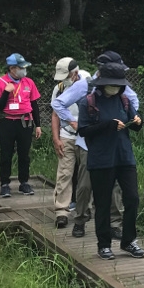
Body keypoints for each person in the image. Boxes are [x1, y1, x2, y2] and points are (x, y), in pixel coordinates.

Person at [53, 51, 139, 239]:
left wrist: (130, 117)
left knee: (115, 188)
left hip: (114, 146)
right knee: (85, 185)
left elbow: (134, 101)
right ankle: (80, 221)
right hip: (88, 144)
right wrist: (73, 122)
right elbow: (58, 103)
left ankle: (114, 224)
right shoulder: (86, 85)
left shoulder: (120, 87)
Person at [75, 60, 144, 260]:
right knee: (103, 203)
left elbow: (135, 123)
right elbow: (83, 130)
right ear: (102, 83)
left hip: (125, 157)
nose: (115, 87)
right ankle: (104, 244)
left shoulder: (124, 100)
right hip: (101, 159)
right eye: (111, 83)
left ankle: (129, 241)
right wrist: (108, 125)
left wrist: (137, 122)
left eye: (118, 84)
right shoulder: (88, 102)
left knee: (132, 198)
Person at [0, 53, 43, 198]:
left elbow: (34, 104)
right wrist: (6, 93)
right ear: (12, 68)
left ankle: (24, 182)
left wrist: (38, 125)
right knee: (6, 154)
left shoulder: (28, 82)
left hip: (25, 122)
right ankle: (5, 184)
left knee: (24, 154)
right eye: (21, 67)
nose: (24, 70)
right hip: (7, 121)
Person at [51, 58, 89, 228]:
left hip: (86, 137)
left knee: (85, 175)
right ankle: (61, 212)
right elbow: (54, 114)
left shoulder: (89, 83)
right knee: (65, 173)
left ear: (75, 72)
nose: (64, 79)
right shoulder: (59, 89)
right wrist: (56, 138)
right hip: (67, 135)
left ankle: (85, 208)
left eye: (66, 75)